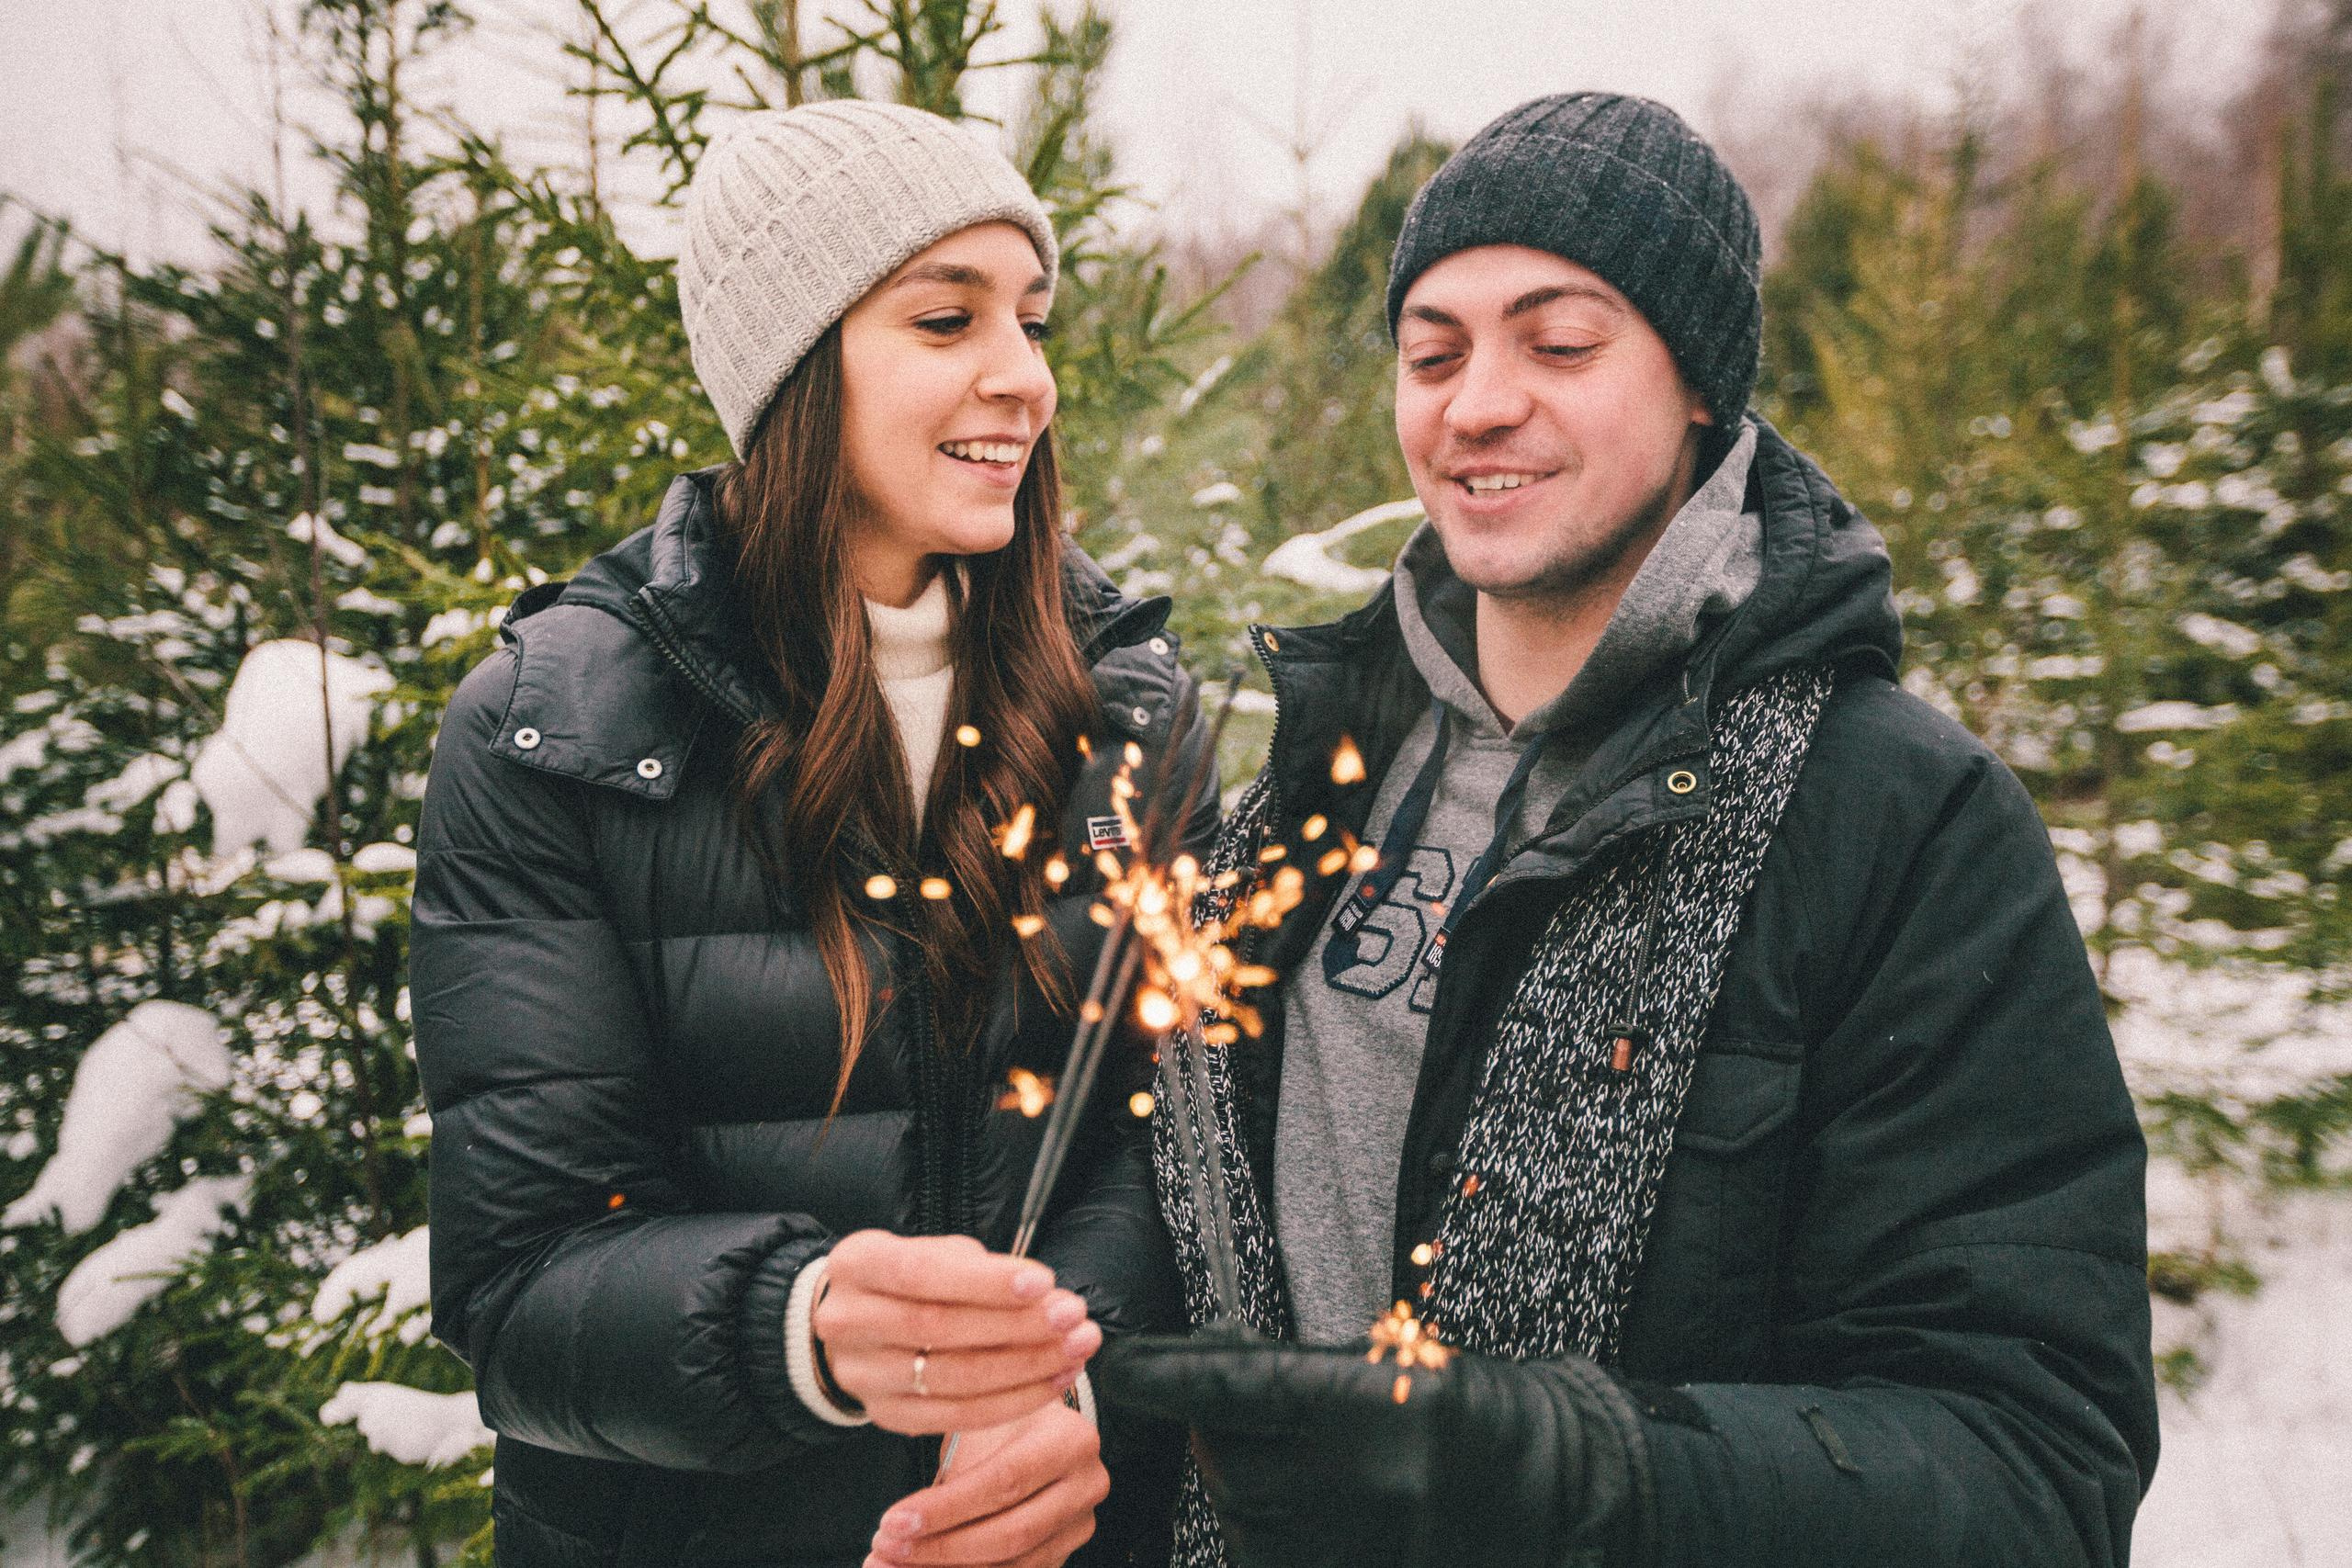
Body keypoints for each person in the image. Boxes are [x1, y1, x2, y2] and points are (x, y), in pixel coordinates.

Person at [1099, 93, 2158, 1567]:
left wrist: (1573, 1477)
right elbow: (1171, 1260)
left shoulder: (1898, 825)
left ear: (1700, 391)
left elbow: (2036, 1463)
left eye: (1561, 343)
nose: (1476, 403)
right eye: (1433, 351)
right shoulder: (1298, 799)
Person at [411, 100, 1209, 1568]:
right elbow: (520, 1288)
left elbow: (1186, 1152)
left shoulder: (1132, 718)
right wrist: (801, 1324)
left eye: (1030, 320)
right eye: (945, 319)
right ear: (793, 369)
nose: (1022, 378)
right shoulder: (557, 736)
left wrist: (1060, 1373)